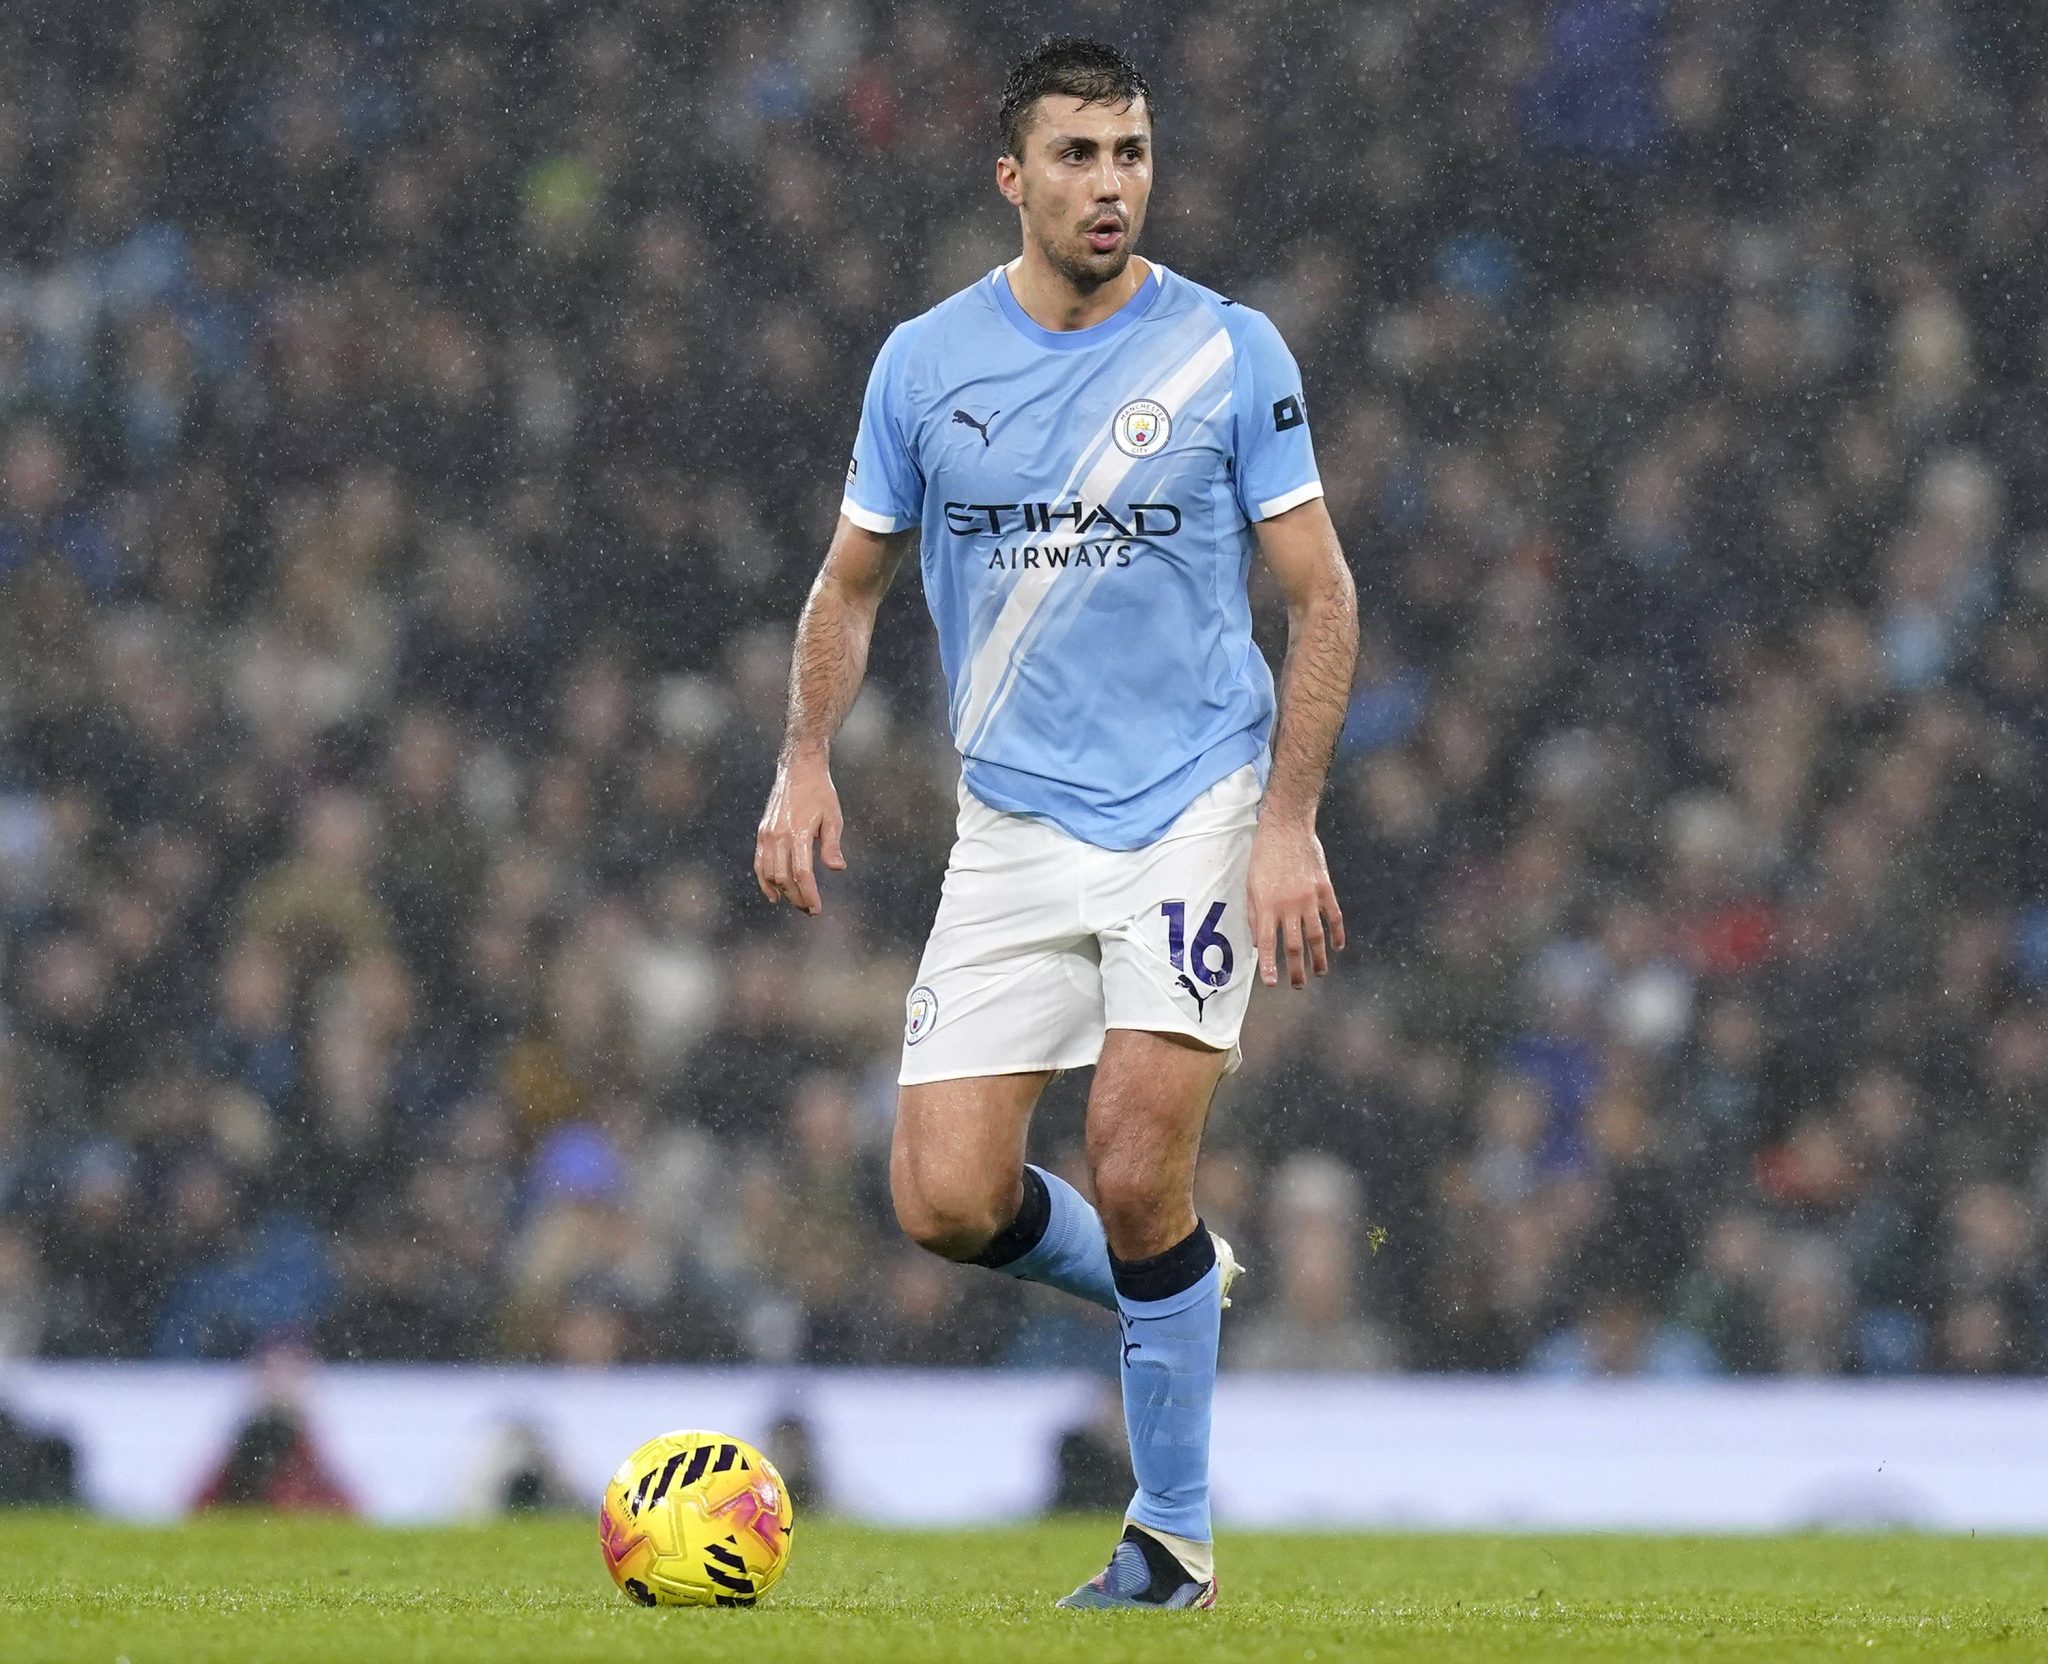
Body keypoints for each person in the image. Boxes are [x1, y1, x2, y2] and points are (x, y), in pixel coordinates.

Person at [754, 36, 1356, 1609]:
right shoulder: (924, 365)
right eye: (1079, 156)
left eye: (1133, 153)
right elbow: (849, 585)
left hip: (1195, 809)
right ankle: (1178, 1294)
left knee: (1135, 1157)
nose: (1112, 184)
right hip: (1013, 823)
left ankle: (1169, 1540)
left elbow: (1321, 595)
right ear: (1012, 177)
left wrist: (1286, 820)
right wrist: (802, 759)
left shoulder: (1228, 350)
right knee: (945, 1198)